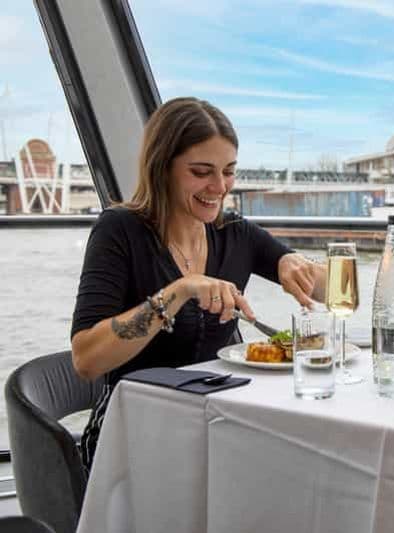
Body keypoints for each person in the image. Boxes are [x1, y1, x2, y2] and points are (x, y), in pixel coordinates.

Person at [70, 97, 325, 471]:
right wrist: (178, 291)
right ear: (163, 169)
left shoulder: (234, 233)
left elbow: (329, 291)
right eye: (202, 171)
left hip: (216, 428)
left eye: (229, 171)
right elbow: (87, 359)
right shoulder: (119, 231)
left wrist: (294, 262)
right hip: (134, 437)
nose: (219, 186)